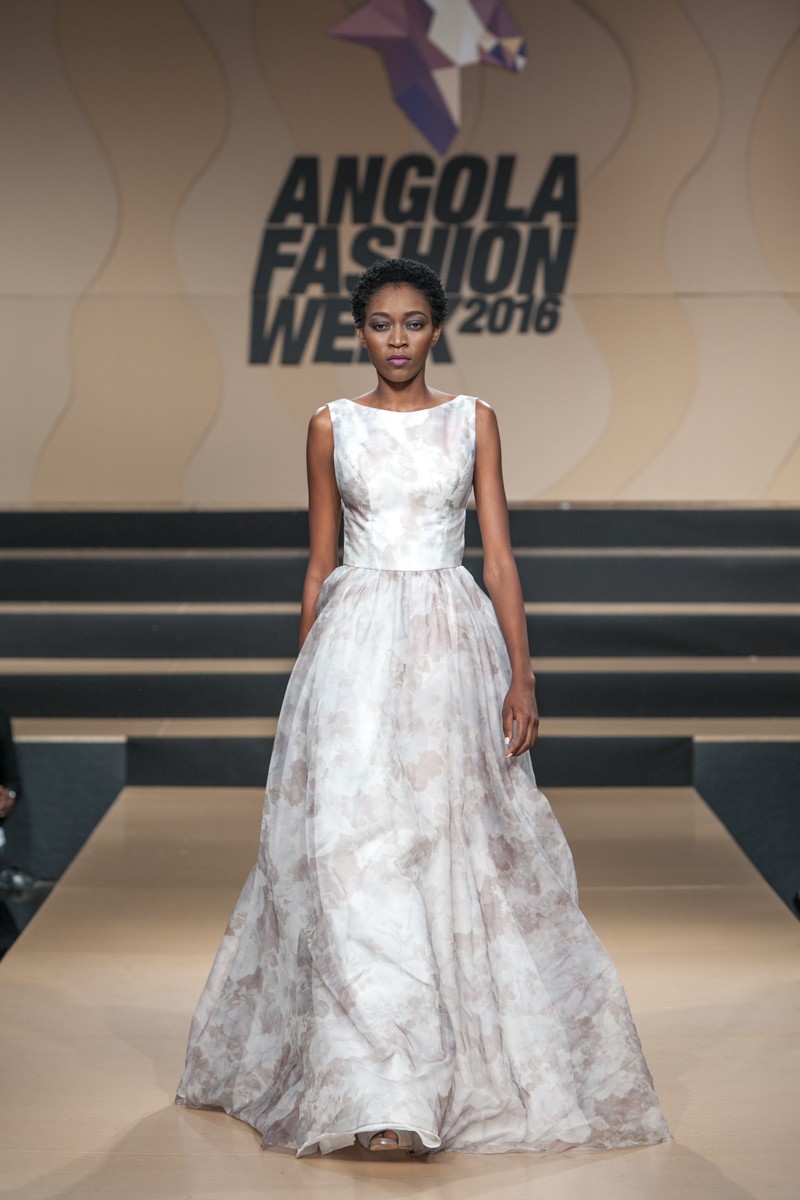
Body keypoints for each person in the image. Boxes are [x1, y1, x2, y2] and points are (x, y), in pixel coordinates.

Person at [177, 259, 670, 1157]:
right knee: (353, 859)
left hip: (450, 649)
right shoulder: (331, 426)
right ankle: (383, 1095)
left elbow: (501, 557)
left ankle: (438, 1074)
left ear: (436, 328)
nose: (396, 339)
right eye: (380, 323)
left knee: (451, 849)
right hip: (355, 652)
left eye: (411, 322)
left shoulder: (473, 419)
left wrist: (523, 675)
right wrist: (307, 682)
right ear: (359, 331)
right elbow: (320, 563)